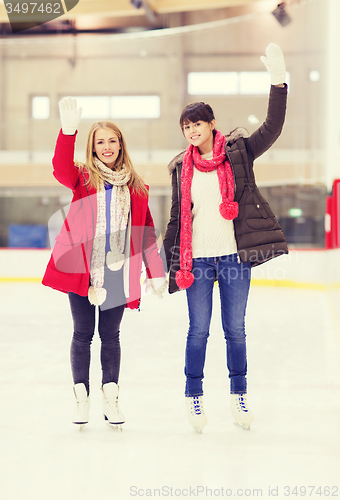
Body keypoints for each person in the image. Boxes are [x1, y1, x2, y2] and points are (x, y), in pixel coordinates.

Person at [163, 43, 288, 433]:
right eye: (186, 126)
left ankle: (239, 394)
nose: (191, 130)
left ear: (211, 122)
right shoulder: (180, 167)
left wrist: (278, 83)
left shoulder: (239, 152)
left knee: (235, 329)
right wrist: (162, 261)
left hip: (233, 258)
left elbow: (272, 127)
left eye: (197, 123)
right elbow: (177, 218)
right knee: (198, 330)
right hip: (196, 261)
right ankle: (194, 396)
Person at [42, 97, 166, 430]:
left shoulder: (137, 187)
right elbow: (59, 167)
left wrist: (156, 272)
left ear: (121, 145)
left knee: (110, 336)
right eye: (100, 142)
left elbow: (148, 232)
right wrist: (68, 133)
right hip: (83, 271)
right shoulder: (82, 179)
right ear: (92, 148)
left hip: (117, 272)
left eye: (112, 141)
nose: (107, 146)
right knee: (83, 334)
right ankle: (81, 399)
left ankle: (110, 398)